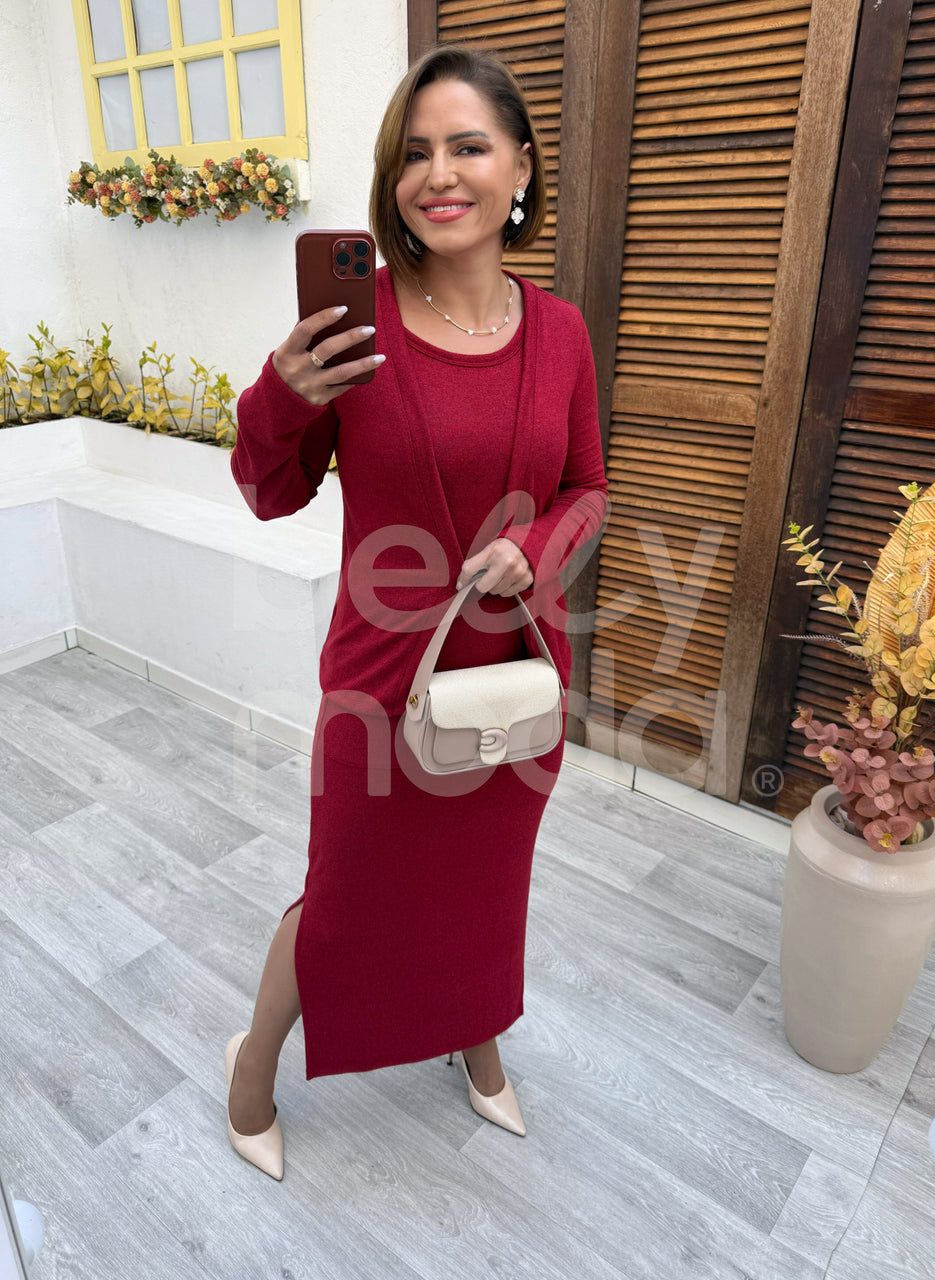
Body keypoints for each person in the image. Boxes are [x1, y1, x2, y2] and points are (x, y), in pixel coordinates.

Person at [225, 43, 609, 1180]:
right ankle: (253, 1066)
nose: (438, 174)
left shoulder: (562, 333)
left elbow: (589, 489)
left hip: (516, 669)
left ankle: (474, 1036)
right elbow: (268, 491)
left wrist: (534, 550)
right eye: (414, 153)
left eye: (468, 146)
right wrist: (283, 395)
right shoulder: (355, 331)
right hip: (384, 678)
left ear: (521, 168)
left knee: (484, 886)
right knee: (345, 894)